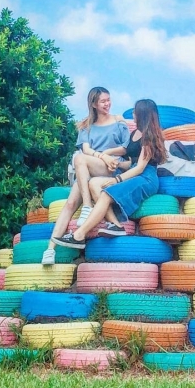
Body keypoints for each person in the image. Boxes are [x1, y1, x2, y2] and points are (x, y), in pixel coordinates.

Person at [54, 99, 167, 249]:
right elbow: (129, 160)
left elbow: (140, 168)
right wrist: (113, 160)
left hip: (146, 178)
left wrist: (117, 179)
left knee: (106, 194)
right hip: (133, 172)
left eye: (135, 112)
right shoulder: (135, 133)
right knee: (94, 183)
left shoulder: (149, 137)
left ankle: (79, 235)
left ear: (142, 114)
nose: (133, 114)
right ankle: (116, 225)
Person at [41, 86, 130, 265]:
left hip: (111, 168)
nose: (107, 104)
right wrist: (101, 156)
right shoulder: (86, 126)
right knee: (70, 204)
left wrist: (107, 155)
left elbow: (125, 148)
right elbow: (86, 149)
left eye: (108, 99)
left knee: (80, 159)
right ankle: (50, 250)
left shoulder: (119, 121)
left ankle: (88, 206)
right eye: (103, 101)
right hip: (89, 168)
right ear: (94, 104)